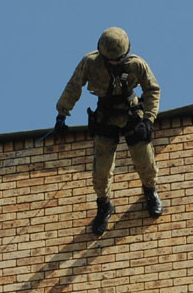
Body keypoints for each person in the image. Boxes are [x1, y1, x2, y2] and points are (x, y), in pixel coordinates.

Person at [54, 27, 163, 235]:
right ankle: (104, 204)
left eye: (117, 60)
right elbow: (74, 86)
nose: (113, 63)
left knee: (144, 158)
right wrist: (62, 114)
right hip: (105, 115)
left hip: (131, 113)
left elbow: (152, 89)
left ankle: (150, 191)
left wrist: (149, 120)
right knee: (101, 170)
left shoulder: (136, 65)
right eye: (109, 60)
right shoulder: (90, 63)